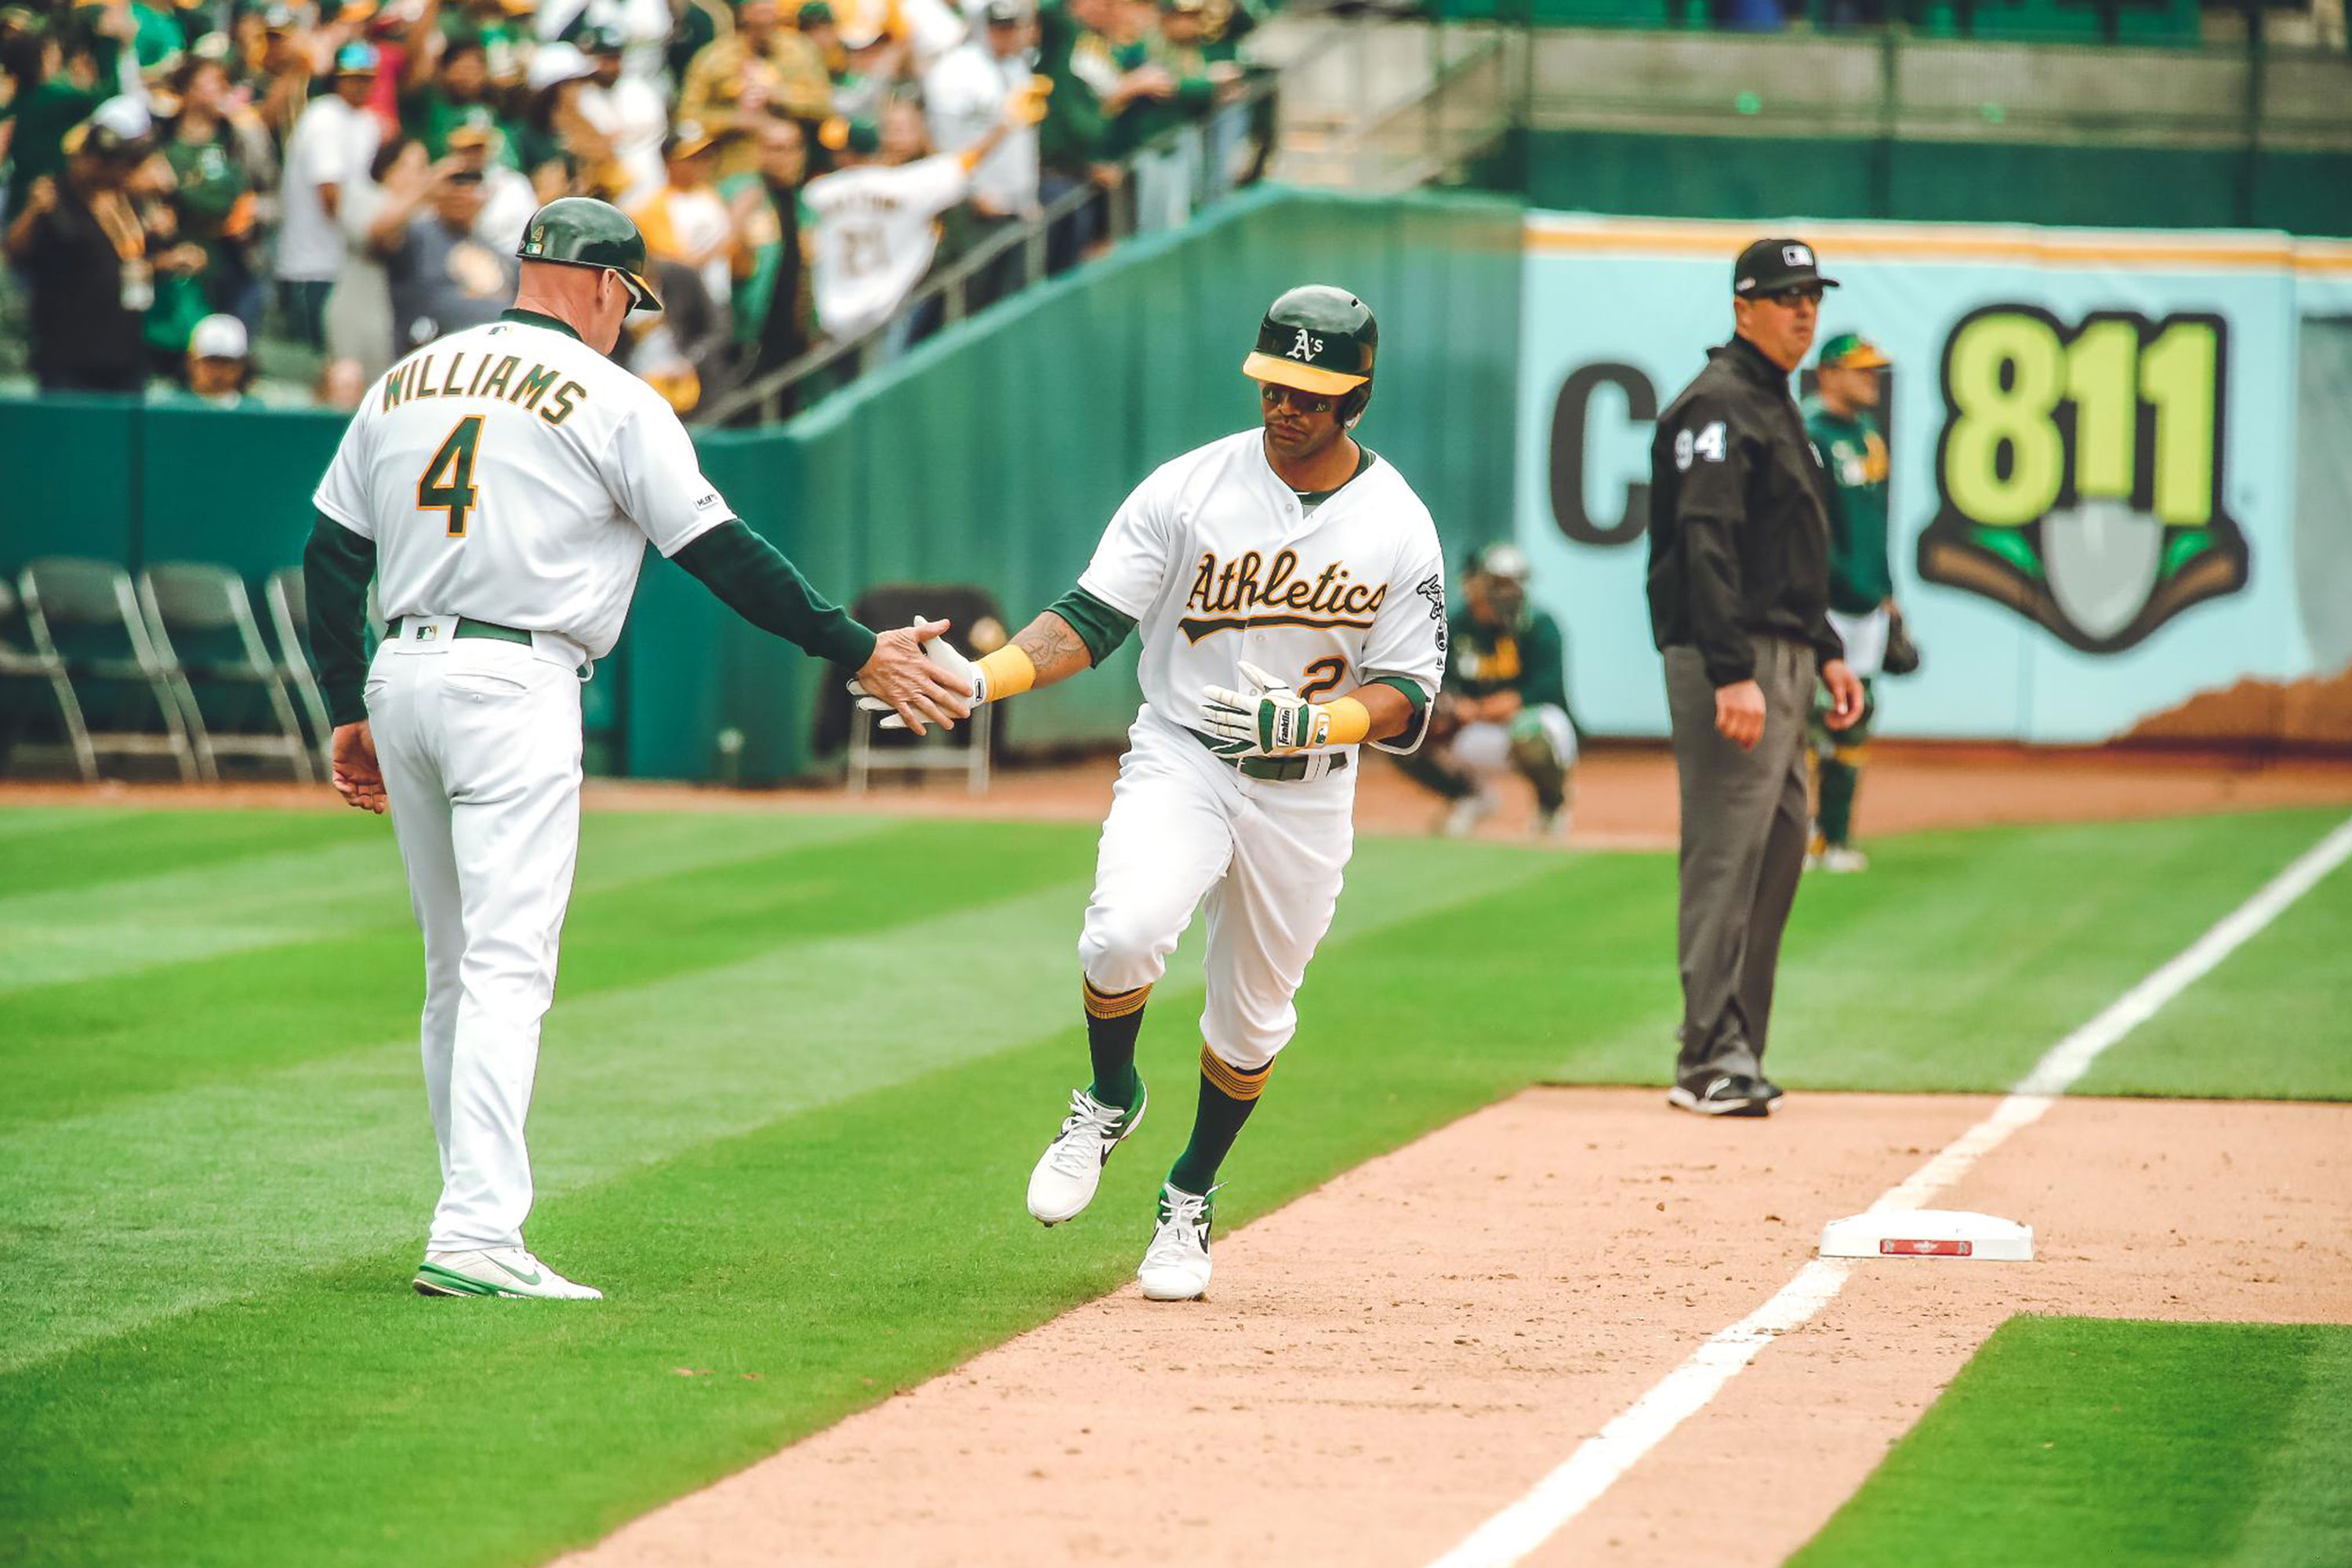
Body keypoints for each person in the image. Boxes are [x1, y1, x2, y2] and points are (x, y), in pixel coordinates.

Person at [302, 197, 971, 1300]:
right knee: (506, 965)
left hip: (403, 673)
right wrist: (855, 647)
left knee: (453, 970)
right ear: (609, 286)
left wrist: (346, 702)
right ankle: (476, 1231)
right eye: (629, 301)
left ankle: (468, 1212)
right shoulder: (611, 397)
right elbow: (719, 550)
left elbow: (331, 553)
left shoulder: (406, 378)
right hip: (514, 679)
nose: (626, 320)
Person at [861, 286, 1446, 1301]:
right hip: (1186, 753)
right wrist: (981, 680)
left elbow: (1409, 688)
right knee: (1121, 935)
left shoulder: (1398, 523)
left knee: (1252, 1022)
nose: (1284, 405)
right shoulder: (1188, 489)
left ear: (1355, 398)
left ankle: (1190, 1190)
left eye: (1308, 393)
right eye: (1273, 384)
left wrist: (1324, 723)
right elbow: (1088, 620)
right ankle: (1108, 1094)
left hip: (1305, 792)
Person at [1646, 238, 1864, 1120]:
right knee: (1726, 854)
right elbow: (1706, 542)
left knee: (1776, 852)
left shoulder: (1773, 401)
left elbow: (1787, 551)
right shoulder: (1719, 403)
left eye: (1812, 295)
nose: (1804, 309)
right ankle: (1705, 1058)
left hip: (1785, 654)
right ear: (1743, 308)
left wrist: (1827, 646)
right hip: (1733, 658)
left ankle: (1736, 1046)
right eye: (1785, 296)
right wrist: (1732, 670)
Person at [800, 80, 1041, 343]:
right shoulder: (909, 184)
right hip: (890, 307)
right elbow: (966, 162)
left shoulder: (818, 192)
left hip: (838, 317)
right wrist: (1006, 124)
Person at [1395, 542, 1576, 840]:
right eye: (1499, 584)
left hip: (1539, 726)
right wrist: (1449, 709)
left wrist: (1478, 709)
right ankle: (1469, 797)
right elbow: (1439, 684)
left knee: (1531, 734)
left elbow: (1544, 690)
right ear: (1474, 584)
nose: (1508, 593)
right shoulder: (1455, 628)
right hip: (1477, 733)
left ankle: (1551, 805)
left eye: (1514, 583)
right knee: (1403, 731)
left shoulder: (1539, 626)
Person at [1802, 332, 1894, 874]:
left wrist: (1887, 590)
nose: (1871, 379)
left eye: (1873, 370)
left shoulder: (1867, 436)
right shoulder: (1809, 433)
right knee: (1808, 718)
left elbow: (1875, 522)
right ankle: (1799, 833)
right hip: (1824, 603)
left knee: (1857, 715)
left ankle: (1834, 837)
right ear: (1828, 374)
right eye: (1860, 370)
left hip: (1868, 602)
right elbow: (1807, 529)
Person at [4, 102, 154, 393]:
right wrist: (33, 212)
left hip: (123, 348)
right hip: (67, 351)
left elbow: (135, 257)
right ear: (81, 156)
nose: (101, 167)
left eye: (111, 160)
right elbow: (15, 252)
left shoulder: (128, 200)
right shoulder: (55, 198)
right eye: (95, 158)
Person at [278, 41, 384, 350]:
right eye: (352, 78)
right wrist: (372, 234)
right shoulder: (323, 116)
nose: (360, 85)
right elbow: (329, 196)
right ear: (336, 78)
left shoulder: (367, 122)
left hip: (346, 264)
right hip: (312, 266)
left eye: (366, 78)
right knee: (318, 359)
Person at [374, 151, 519, 350]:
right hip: (429, 357)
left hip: (492, 358)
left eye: (472, 185)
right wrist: (426, 188)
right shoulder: (417, 236)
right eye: (454, 184)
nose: (461, 193)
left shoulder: (497, 252)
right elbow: (378, 235)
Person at [181, 311, 257, 405]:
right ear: (192, 362)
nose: (218, 372)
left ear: (241, 366)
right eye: (211, 362)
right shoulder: (171, 407)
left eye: (226, 362)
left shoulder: (256, 411)